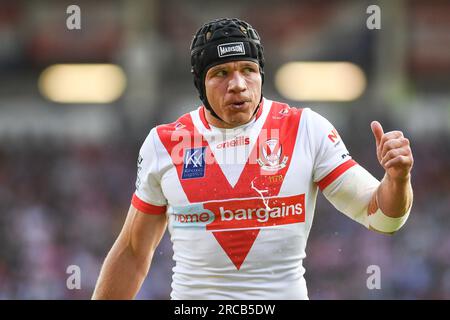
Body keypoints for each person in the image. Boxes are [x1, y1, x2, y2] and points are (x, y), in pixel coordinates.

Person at [92, 18, 413, 300]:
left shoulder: (305, 129)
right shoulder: (165, 142)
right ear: (200, 84)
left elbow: (383, 218)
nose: (238, 85)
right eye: (221, 73)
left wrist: (397, 180)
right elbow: (134, 252)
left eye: (248, 70)